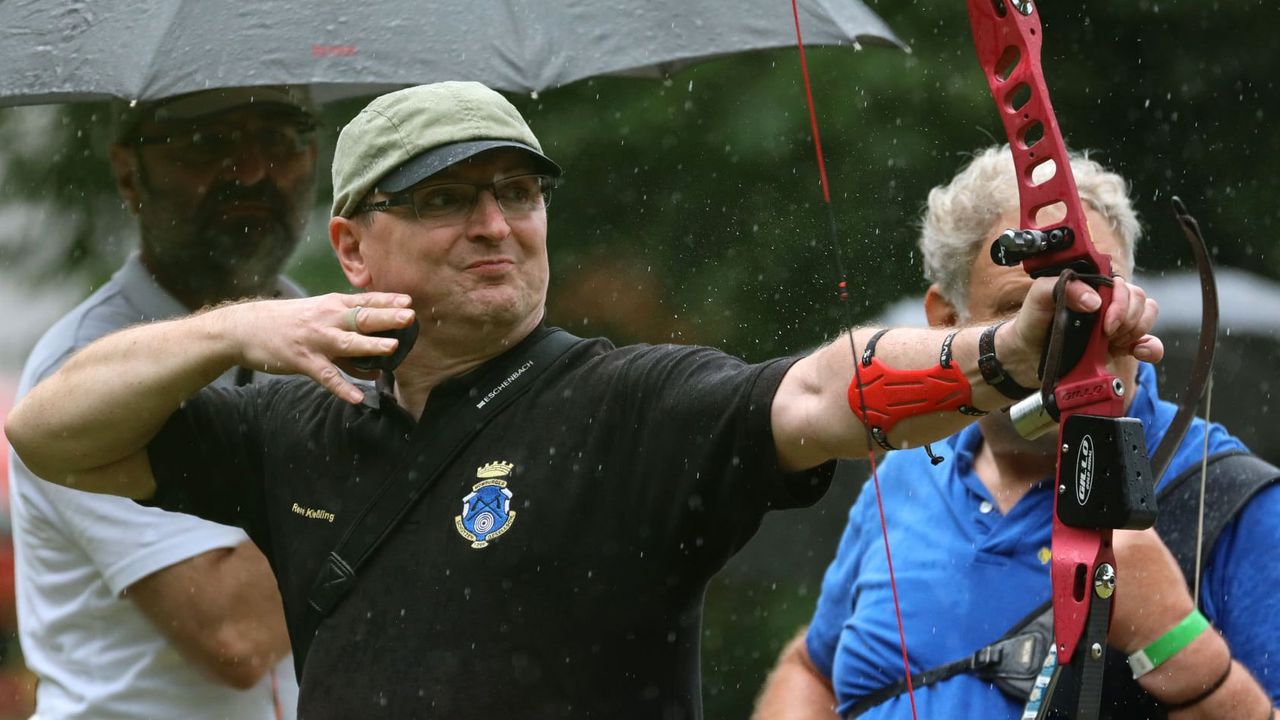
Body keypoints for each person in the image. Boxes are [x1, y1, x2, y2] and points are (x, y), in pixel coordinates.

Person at [5, 83, 1162, 719]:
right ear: (351, 246)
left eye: (516, 193)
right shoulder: (295, 415)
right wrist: (236, 328)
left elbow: (817, 393)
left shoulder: (627, 406)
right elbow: (46, 429)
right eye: (448, 199)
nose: (495, 224)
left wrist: (1005, 352)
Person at [753, 146, 1280, 719]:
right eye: (1020, 308)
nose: (1066, 337)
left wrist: (1178, 644)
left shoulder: (1228, 498)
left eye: (1092, 298)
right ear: (946, 324)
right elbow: (812, 670)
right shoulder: (911, 465)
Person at [6, 87, 317, 719]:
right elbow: (234, 635)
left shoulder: (317, 326)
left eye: (281, 138)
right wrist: (402, 453)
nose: (254, 170)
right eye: (212, 142)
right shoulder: (87, 374)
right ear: (129, 174)